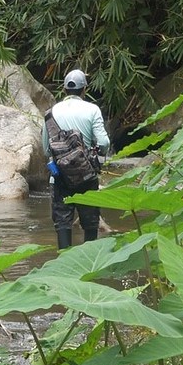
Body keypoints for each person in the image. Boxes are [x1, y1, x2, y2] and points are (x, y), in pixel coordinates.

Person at [42, 68, 109, 249]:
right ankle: (90, 262)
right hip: (86, 175)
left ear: (64, 90)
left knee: (62, 222)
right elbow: (104, 142)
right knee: (90, 222)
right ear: (84, 90)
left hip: (59, 176)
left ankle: (63, 260)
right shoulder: (92, 109)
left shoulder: (50, 112)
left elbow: (46, 148)